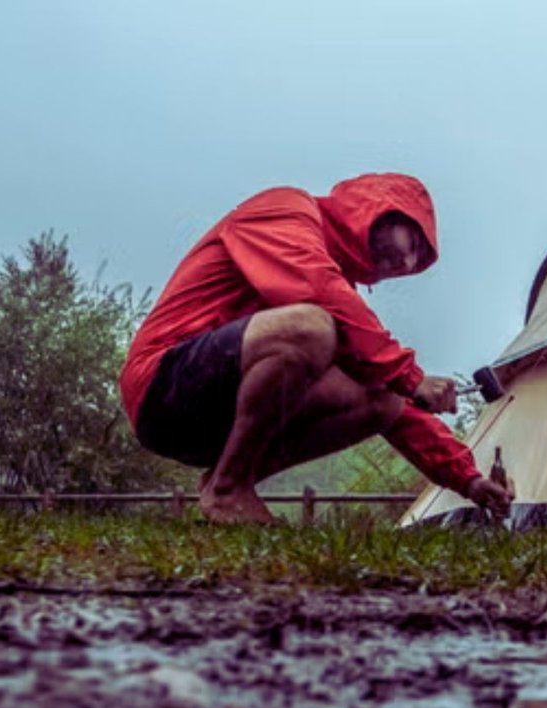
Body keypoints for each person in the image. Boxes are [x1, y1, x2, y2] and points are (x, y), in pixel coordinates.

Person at [119, 173, 513, 524]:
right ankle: (230, 489)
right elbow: (316, 287)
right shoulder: (286, 210)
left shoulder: (343, 301)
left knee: (383, 398)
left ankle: (227, 481)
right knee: (311, 327)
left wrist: (470, 480)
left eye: (416, 263)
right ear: (379, 210)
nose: (407, 262)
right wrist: (411, 376)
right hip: (163, 390)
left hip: (214, 422)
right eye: (411, 243)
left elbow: (396, 396)